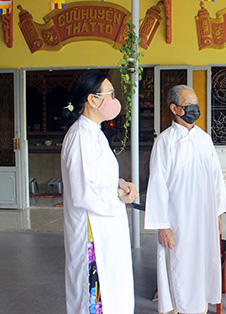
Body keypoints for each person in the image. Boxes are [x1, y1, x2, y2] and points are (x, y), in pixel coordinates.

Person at [145, 85, 226, 314]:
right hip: (178, 221)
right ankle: (178, 309)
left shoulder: (204, 139)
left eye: (196, 104)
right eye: (188, 105)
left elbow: (216, 178)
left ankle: (199, 309)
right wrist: (163, 226)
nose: (194, 109)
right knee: (180, 266)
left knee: (202, 265)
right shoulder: (164, 141)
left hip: (204, 220)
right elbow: (158, 186)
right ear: (175, 109)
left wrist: (218, 215)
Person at [61, 71, 138, 314]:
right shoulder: (81, 136)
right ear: (92, 99)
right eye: (110, 95)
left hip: (107, 228)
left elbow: (97, 177)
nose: (114, 101)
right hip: (92, 232)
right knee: (96, 297)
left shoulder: (95, 134)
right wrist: (116, 196)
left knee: (113, 291)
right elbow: (84, 192)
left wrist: (120, 184)